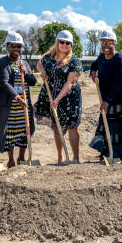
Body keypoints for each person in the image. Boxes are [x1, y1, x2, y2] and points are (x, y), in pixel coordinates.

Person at [34, 30, 82, 163]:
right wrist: (43, 71)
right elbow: (39, 63)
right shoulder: (48, 57)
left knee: (73, 126)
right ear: (57, 42)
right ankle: (60, 158)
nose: (65, 44)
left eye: (68, 43)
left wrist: (57, 99)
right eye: (62, 42)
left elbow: (70, 82)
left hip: (69, 98)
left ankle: (75, 158)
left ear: (71, 45)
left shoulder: (74, 61)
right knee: (57, 126)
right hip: (51, 94)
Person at [0, 31, 37, 168]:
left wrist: (26, 72)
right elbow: (4, 83)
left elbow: (33, 81)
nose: (16, 49)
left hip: (24, 106)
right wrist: (17, 98)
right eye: (13, 46)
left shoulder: (24, 63)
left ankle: (21, 158)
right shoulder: (3, 63)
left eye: (19, 46)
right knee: (10, 134)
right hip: (10, 106)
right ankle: (11, 160)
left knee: (25, 132)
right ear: (7, 47)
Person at [89, 30, 122, 163]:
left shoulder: (119, 58)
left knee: (118, 127)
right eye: (103, 42)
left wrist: (108, 101)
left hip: (120, 98)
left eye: (109, 42)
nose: (105, 45)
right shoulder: (101, 57)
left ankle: (117, 155)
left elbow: (118, 81)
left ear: (114, 43)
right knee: (105, 124)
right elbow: (94, 64)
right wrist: (92, 71)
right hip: (107, 97)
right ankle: (106, 152)